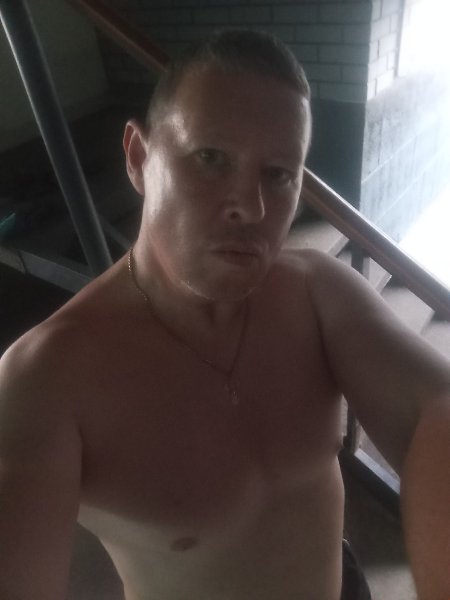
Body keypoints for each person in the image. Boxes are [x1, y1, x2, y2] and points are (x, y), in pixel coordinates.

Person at [0, 30, 449, 600]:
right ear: (139, 158)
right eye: (210, 158)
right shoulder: (47, 378)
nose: (251, 207)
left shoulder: (317, 292)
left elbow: (435, 408)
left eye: (278, 174)